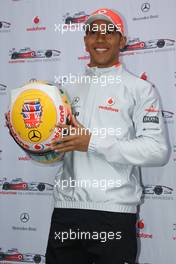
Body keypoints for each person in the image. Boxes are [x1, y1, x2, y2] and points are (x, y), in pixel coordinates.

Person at [6, 8, 169, 264]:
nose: (100, 39)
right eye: (93, 32)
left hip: (114, 214)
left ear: (122, 40)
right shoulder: (62, 92)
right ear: (85, 40)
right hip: (67, 212)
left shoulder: (140, 89)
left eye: (108, 32)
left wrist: (91, 142)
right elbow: (52, 154)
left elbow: (157, 151)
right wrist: (24, 137)